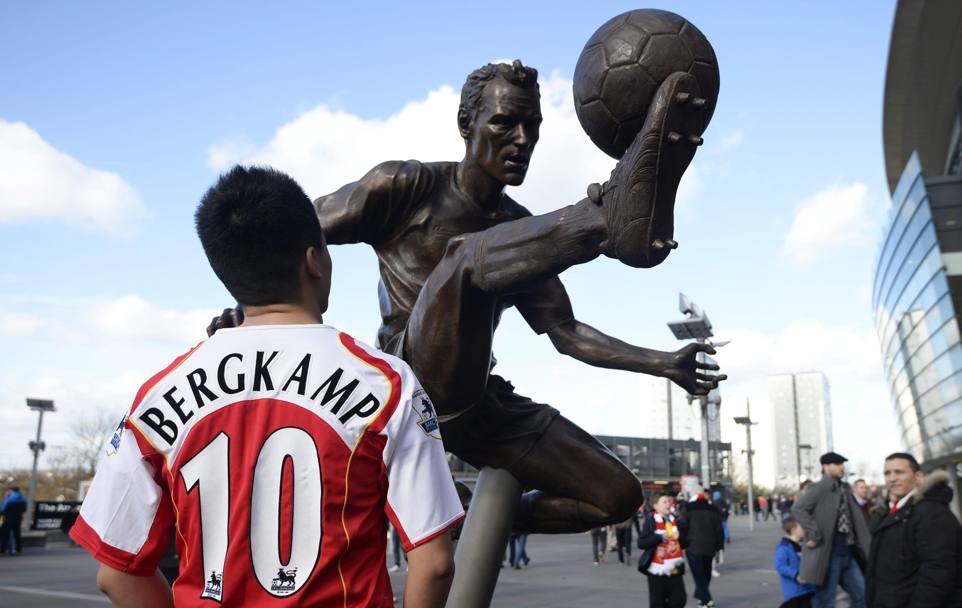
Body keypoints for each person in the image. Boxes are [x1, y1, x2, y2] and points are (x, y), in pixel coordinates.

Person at [303, 60, 723, 533]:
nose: (522, 140)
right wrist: (253, 314)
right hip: (408, 383)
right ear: (467, 125)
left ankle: (468, 517)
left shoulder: (522, 236)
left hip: (474, 401)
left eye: (533, 126)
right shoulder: (406, 186)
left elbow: (567, 333)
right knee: (464, 260)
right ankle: (603, 220)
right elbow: (292, 228)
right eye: (505, 122)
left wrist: (662, 363)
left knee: (616, 495)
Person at [70, 167, 465, 607]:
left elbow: (117, 573)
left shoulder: (156, 397)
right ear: (313, 260)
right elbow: (434, 562)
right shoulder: (387, 383)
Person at [865, 452, 962, 608]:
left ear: (917, 477)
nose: (892, 478)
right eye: (887, 473)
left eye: (899, 472)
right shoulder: (889, 512)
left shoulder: (933, 513)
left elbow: (937, 574)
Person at [791, 452, 870, 608]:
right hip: (828, 555)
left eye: (842, 464)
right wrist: (814, 533)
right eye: (837, 464)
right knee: (826, 601)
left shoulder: (845, 488)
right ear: (825, 467)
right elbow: (798, 508)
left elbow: (858, 521)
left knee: (862, 595)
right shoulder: (818, 488)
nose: (842, 467)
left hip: (848, 553)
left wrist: (869, 549)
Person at [678, 477, 724, 607]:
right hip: (710, 546)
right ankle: (702, 597)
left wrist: (682, 544)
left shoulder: (687, 508)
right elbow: (719, 529)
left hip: (693, 546)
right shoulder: (713, 509)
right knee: (706, 573)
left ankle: (706, 599)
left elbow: (682, 526)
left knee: (698, 575)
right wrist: (719, 546)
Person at [637, 492, 687, 607]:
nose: (668, 504)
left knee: (680, 599)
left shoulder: (675, 521)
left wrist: (680, 536)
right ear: (656, 506)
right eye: (664, 502)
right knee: (657, 603)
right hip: (657, 571)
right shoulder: (651, 521)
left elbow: (685, 543)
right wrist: (659, 537)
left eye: (669, 501)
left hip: (675, 568)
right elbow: (641, 543)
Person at [775, 517, 817, 608]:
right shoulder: (784, 548)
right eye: (801, 527)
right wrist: (796, 575)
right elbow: (780, 566)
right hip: (795, 592)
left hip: (809, 589)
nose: (804, 529)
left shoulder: (804, 545)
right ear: (793, 530)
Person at [0, 486, 26, 555]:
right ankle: (18, 550)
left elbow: (2, 510)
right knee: (17, 534)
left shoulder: (9, 499)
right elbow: (24, 509)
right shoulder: (23, 499)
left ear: (11, 491)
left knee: (5, 534)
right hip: (18, 519)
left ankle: (3, 550)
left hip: (8, 519)